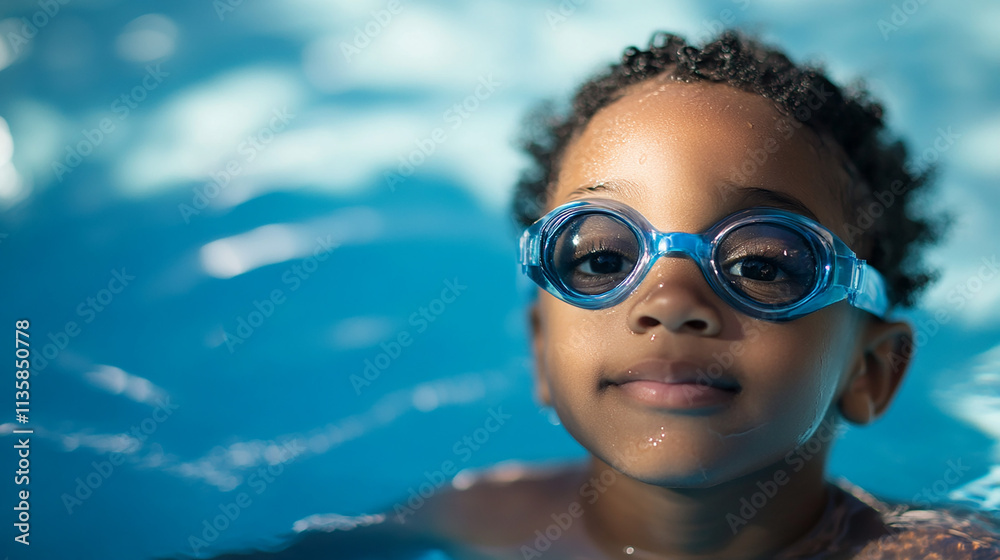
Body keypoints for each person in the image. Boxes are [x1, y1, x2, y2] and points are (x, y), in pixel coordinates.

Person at [202, 29, 1000, 560]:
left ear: (871, 371)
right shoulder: (482, 521)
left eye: (761, 264)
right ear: (542, 351)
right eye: (599, 257)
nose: (669, 299)